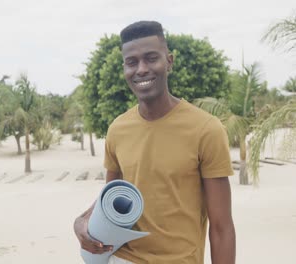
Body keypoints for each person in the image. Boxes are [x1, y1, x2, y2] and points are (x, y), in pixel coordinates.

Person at [73, 21, 236, 264]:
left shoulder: (206, 129)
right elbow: (110, 203)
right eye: (132, 62)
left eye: (151, 58)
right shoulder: (118, 130)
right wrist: (81, 222)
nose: (141, 69)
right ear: (124, 68)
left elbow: (222, 228)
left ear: (169, 61)